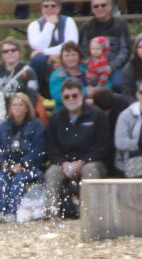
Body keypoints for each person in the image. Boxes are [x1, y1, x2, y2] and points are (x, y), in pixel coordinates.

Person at [44, 79, 111, 218]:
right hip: (65, 162)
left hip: (92, 161)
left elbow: (103, 146)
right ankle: (52, 212)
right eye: (67, 96)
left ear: (82, 95)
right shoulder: (56, 117)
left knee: (90, 170)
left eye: (74, 95)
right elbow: (51, 146)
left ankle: (88, 214)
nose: (71, 99)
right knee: (52, 172)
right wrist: (62, 163)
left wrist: (83, 162)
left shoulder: (96, 114)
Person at [0, 92, 46, 221]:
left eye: (21, 104)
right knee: (1, 178)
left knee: (18, 179)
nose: (17, 107)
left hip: (30, 168)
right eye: (14, 104)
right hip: (8, 165)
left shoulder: (36, 126)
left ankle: (12, 212)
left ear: (27, 108)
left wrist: (23, 164)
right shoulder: (3, 127)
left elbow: (39, 150)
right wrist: (2, 162)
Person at [27, 0, 79, 100]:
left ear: (59, 8)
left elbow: (71, 45)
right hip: (44, 66)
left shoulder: (68, 21)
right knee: (38, 60)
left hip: (65, 58)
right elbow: (38, 46)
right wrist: (49, 25)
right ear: (41, 8)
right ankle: (35, 96)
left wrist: (46, 52)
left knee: (70, 56)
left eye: (53, 6)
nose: (49, 9)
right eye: (46, 6)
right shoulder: (34, 25)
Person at [78, 0, 131, 92]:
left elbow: (125, 50)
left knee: (118, 84)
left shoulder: (121, 25)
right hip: (93, 66)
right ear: (92, 9)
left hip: (115, 66)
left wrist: (111, 67)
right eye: (96, 6)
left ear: (110, 6)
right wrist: (94, 64)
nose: (99, 8)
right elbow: (83, 50)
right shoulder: (86, 27)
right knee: (83, 83)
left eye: (103, 5)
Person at [0, 38, 39, 104]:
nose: (10, 53)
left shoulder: (29, 71)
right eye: (5, 51)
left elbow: (32, 96)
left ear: (19, 52)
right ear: (2, 54)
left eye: (13, 50)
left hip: (21, 109)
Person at [49, 41, 87, 111]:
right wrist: (85, 92)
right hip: (65, 110)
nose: (71, 58)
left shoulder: (87, 69)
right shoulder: (57, 75)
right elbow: (58, 97)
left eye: (73, 55)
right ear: (62, 58)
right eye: (67, 55)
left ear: (79, 56)